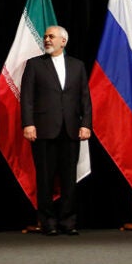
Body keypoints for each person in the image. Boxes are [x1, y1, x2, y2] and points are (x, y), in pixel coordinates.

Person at [21, 25, 92, 236]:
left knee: (69, 179)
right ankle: (48, 222)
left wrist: (86, 124)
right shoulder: (34, 65)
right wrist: (28, 123)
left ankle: (68, 222)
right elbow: (27, 98)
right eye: (45, 36)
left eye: (51, 36)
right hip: (43, 130)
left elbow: (85, 98)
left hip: (71, 130)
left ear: (63, 41)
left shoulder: (77, 66)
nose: (47, 39)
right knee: (45, 178)